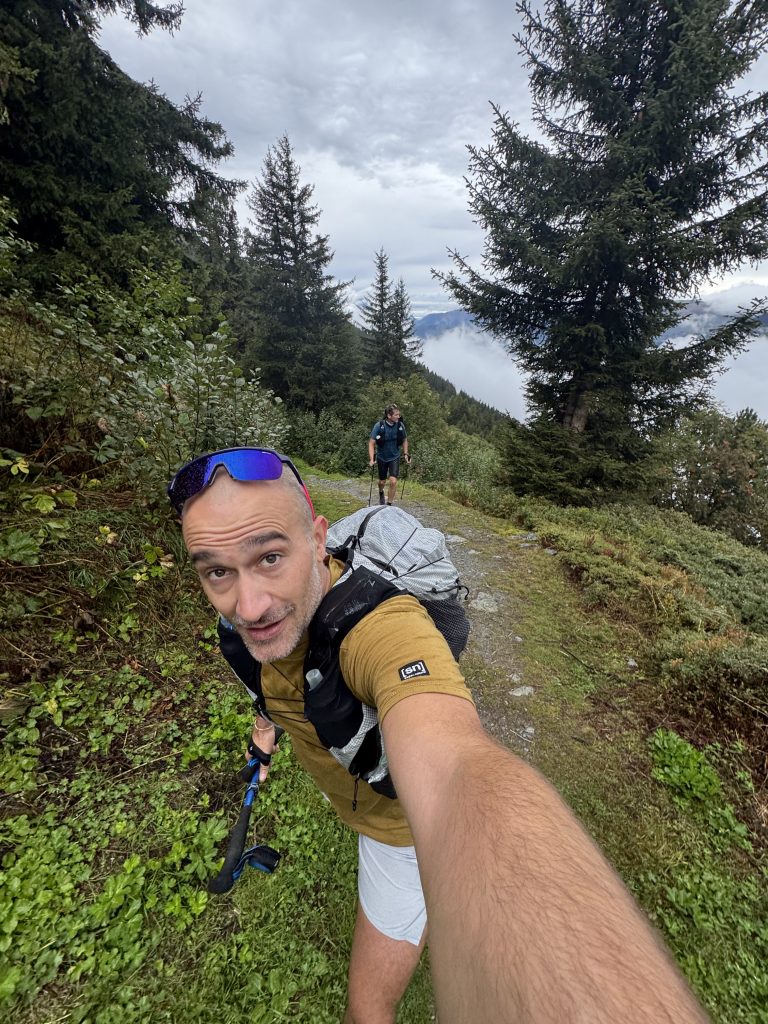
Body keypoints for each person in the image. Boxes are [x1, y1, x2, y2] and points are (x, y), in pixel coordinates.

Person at [168, 447, 709, 1024]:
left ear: (318, 540)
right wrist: (263, 736)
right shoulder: (239, 624)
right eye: (217, 571)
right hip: (353, 799)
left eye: (270, 556)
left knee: (366, 1010)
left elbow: (454, 769)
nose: (248, 606)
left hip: (395, 835)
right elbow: (266, 683)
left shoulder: (384, 629)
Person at [368, 404, 410, 505]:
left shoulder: (400, 425)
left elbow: (404, 440)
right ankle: (381, 492)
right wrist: (371, 459)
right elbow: (371, 443)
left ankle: (389, 504)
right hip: (382, 457)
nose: (398, 417)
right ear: (389, 416)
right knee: (382, 482)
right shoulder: (379, 426)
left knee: (393, 481)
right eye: (396, 415)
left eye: (399, 414)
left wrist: (405, 454)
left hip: (394, 457)